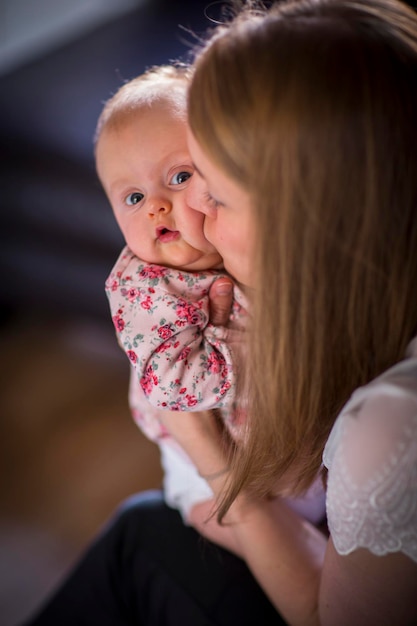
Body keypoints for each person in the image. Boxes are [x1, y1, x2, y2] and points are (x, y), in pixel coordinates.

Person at [24, 0, 417, 625]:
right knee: (149, 525)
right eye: (134, 196)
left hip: (267, 497)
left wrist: (219, 467)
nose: (189, 213)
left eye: (206, 187)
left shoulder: (393, 427)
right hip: (243, 478)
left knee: (140, 537)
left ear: (305, 231)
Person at [95, 64, 253, 522]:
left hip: (290, 445)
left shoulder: (243, 234)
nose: (156, 206)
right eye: (132, 198)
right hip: (202, 464)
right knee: (207, 517)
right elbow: (174, 385)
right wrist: (255, 337)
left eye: (180, 177)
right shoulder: (143, 285)